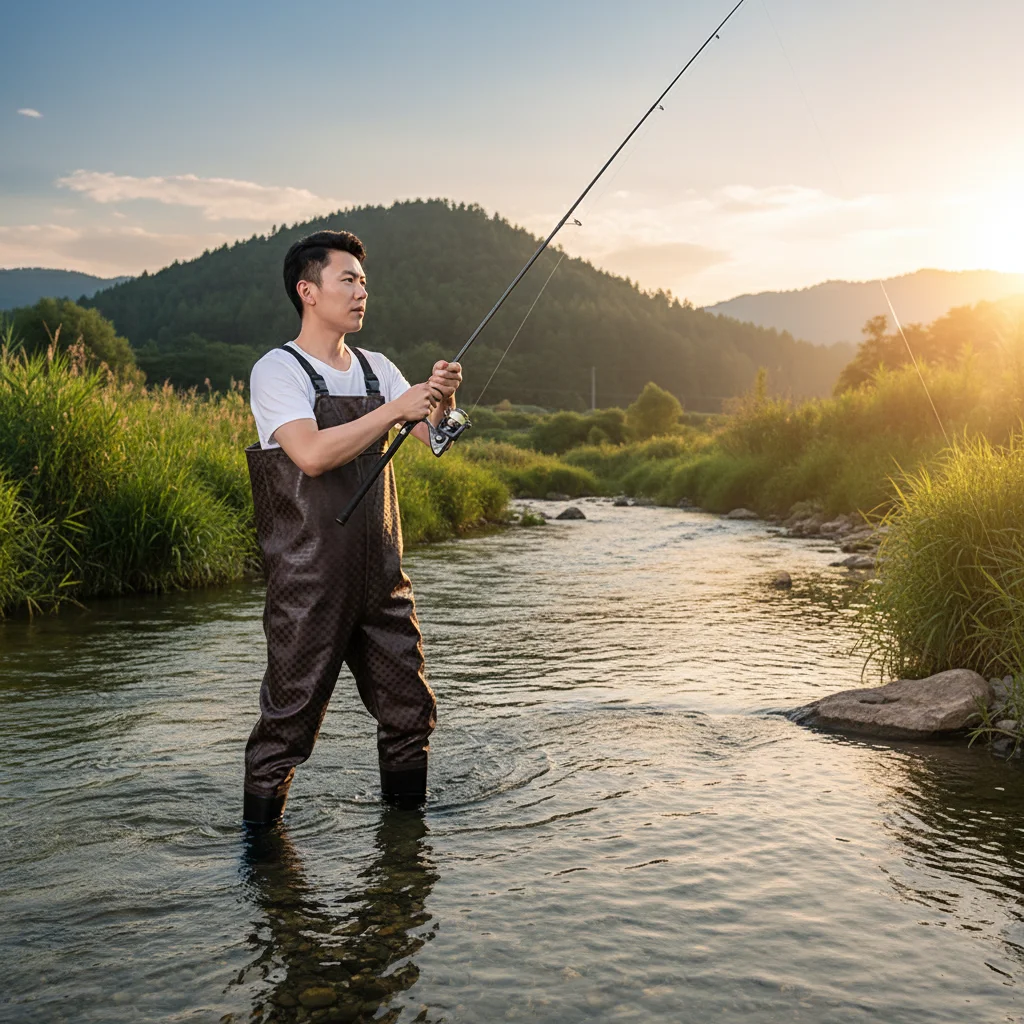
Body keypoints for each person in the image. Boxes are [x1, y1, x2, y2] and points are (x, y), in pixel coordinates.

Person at [242, 229, 462, 825]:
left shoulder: (378, 368)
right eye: (348, 279)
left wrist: (439, 403)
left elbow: (432, 440)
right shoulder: (277, 370)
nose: (362, 291)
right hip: (308, 583)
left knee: (410, 716)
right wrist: (395, 407)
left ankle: (404, 851)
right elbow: (309, 455)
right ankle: (261, 866)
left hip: (383, 579)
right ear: (307, 290)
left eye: (364, 281)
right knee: (286, 730)